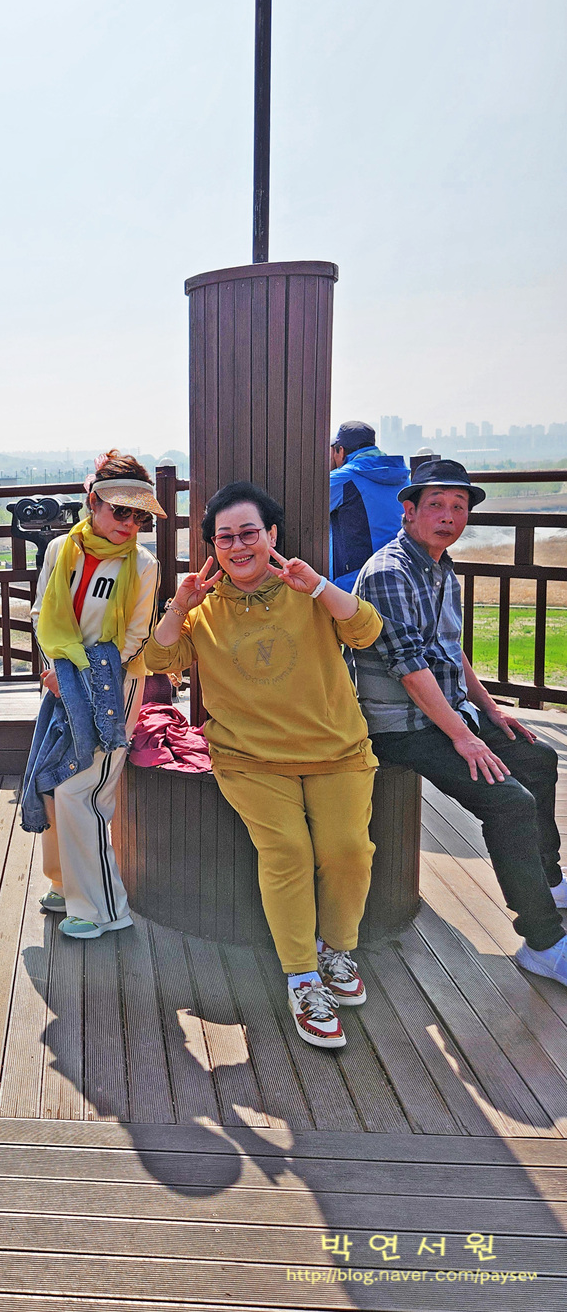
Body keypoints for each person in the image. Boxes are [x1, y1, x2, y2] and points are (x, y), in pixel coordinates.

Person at [146, 482, 384, 1049]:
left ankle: (336, 951)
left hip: (336, 752)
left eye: (249, 533)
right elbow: (158, 658)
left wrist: (320, 586)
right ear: (212, 547)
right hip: (249, 758)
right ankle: (302, 978)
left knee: (348, 851)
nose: (238, 546)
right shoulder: (204, 609)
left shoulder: (306, 587)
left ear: (271, 535)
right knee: (287, 851)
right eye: (224, 538)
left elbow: (366, 630)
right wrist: (179, 605)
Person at [352, 457, 567, 986]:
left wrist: (490, 711)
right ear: (408, 510)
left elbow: (450, 649)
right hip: (401, 726)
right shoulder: (390, 572)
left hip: (446, 715)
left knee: (537, 758)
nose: (449, 516)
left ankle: (549, 880)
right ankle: (542, 942)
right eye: (436, 505)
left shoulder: (440, 566)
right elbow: (410, 670)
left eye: (458, 506)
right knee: (508, 801)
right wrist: (465, 737)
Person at [22, 451, 161, 940]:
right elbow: (42, 613)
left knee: (82, 790)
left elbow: (135, 638)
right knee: (54, 779)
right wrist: (56, 669)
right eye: (120, 510)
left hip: (110, 691)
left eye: (139, 516)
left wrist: (76, 677)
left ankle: (103, 907)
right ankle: (65, 885)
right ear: (93, 502)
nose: (129, 524)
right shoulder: (61, 550)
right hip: (61, 683)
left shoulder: (143, 565)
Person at [329, 421, 409, 591]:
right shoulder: (403, 477)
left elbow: (306, 506)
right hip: (399, 573)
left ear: (340, 450)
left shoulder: (343, 478)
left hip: (354, 584)